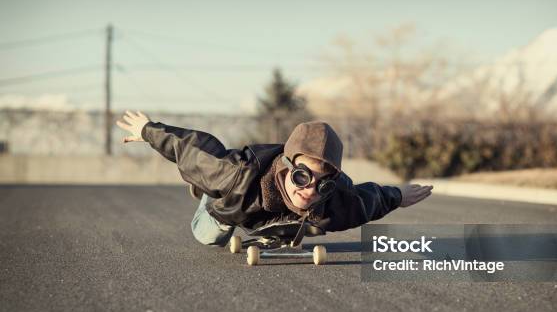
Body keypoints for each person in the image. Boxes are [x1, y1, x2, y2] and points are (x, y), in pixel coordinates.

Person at [116, 111, 433, 246]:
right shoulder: (238, 172)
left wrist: (398, 196)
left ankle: (275, 229)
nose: (309, 190)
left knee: (311, 217)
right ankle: (206, 196)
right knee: (211, 237)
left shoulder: (334, 195)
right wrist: (149, 131)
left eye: (321, 183)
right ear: (287, 165)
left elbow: (365, 202)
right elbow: (194, 149)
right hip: (230, 204)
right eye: (301, 177)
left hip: (273, 220)